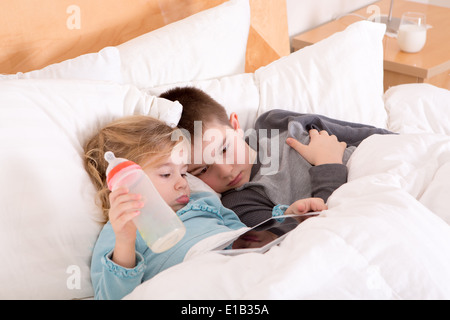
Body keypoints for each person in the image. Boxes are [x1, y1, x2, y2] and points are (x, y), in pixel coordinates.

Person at [160, 87, 392, 232]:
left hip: (388, 164)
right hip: (367, 210)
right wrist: (328, 165)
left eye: (224, 149)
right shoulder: (240, 203)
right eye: (202, 170)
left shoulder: (274, 123)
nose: (226, 170)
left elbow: (362, 134)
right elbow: (311, 237)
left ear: (235, 125)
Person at [84, 115, 250, 300]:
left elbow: (245, 235)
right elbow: (112, 297)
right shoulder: (122, 229)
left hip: (242, 264)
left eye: (184, 173)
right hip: (196, 282)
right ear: (127, 184)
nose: (182, 184)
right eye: (166, 174)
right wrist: (125, 242)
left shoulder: (204, 200)